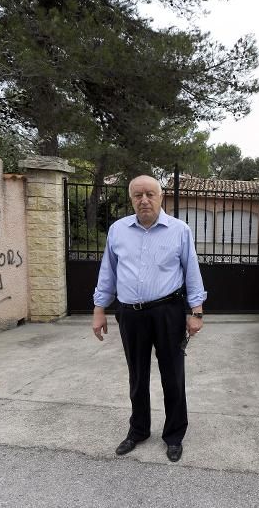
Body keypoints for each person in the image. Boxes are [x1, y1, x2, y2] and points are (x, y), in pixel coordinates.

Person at [92, 175, 206, 462]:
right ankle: (138, 430)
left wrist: (196, 312)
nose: (144, 200)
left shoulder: (179, 230)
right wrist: (99, 309)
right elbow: (108, 272)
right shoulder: (118, 231)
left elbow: (191, 271)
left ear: (161, 196)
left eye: (150, 194)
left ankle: (174, 434)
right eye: (138, 195)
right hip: (130, 314)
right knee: (137, 376)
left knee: (173, 375)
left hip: (168, 311)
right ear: (131, 199)